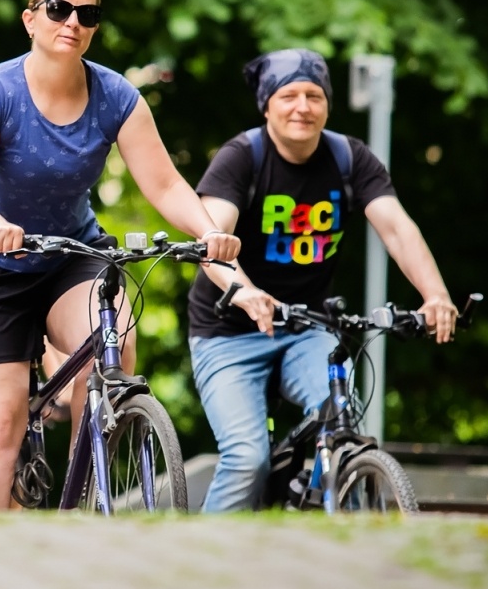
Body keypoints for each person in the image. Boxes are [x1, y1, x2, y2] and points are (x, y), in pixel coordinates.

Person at [0, 0, 241, 513]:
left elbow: (165, 182)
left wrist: (210, 231)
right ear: (31, 20)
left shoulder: (116, 96)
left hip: (68, 256)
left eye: (88, 14)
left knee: (113, 339)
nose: (72, 22)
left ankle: (85, 494)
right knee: (0, 424)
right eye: (59, 9)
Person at [188, 48, 458, 513]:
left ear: (328, 104)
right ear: (266, 105)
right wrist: (246, 292)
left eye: (314, 95)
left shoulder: (350, 158)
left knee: (342, 428)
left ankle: (318, 512)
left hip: (307, 328)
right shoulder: (241, 158)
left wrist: (435, 295)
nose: (302, 106)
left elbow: (396, 227)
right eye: (288, 94)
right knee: (247, 457)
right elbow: (211, 239)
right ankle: (207, 559)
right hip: (227, 332)